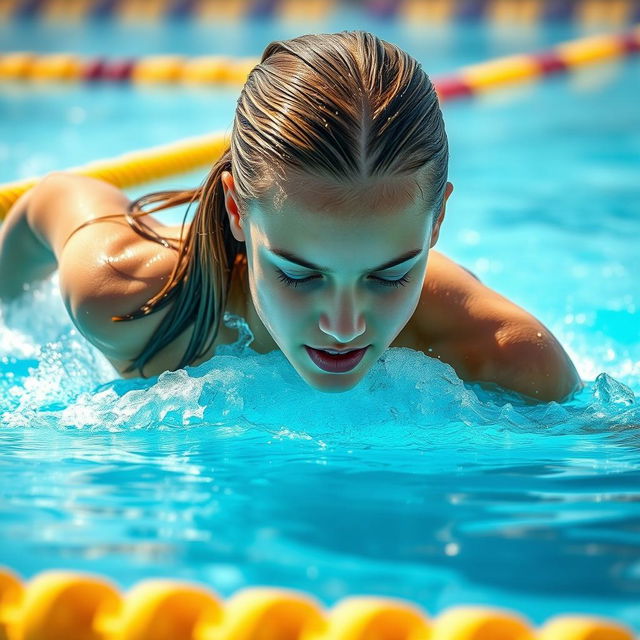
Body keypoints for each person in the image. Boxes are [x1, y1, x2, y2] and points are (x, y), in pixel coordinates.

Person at [0, 31, 582, 401]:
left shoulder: (507, 361)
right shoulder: (128, 296)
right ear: (235, 209)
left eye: (389, 275)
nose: (344, 324)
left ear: (437, 223)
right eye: (299, 274)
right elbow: (51, 198)